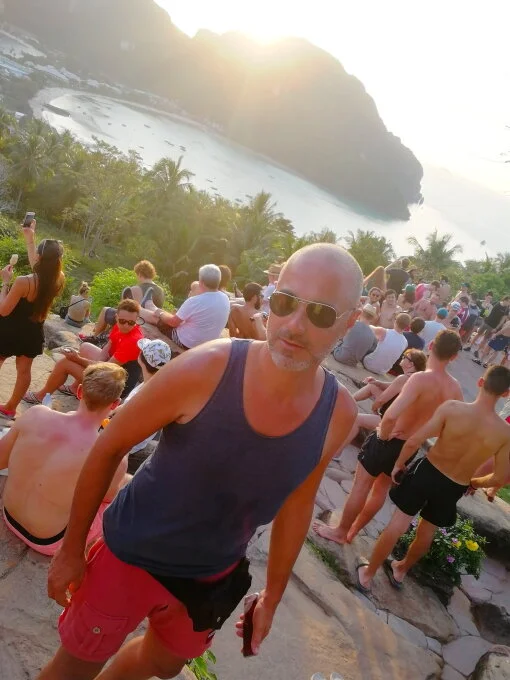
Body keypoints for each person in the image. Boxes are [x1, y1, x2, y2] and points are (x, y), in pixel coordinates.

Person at [39, 244, 362, 680]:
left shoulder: (337, 414)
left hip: (212, 572)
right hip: (133, 552)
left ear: (350, 322)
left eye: (321, 313)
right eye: (285, 302)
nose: (294, 325)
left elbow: (299, 501)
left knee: (164, 664)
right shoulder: (207, 368)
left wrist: (272, 596)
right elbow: (109, 444)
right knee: (75, 667)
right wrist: (71, 548)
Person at [356, 365, 510, 593]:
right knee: (427, 532)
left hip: (428, 470)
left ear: (480, 382)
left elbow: (415, 440)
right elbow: (500, 477)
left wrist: (399, 464)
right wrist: (474, 483)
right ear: (506, 393)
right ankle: (401, 569)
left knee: (398, 524)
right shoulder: (505, 433)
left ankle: (368, 574)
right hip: (455, 485)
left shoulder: (452, 409)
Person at [313, 330, 463, 545]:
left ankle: (340, 532)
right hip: (408, 446)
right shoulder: (455, 389)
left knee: (361, 486)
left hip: (390, 438)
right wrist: (421, 432)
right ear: (454, 357)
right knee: (379, 491)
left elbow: (391, 414)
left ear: (431, 346)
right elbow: (448, 428)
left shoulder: (419, 378)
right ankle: (353, 532)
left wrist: (382, 435)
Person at [0, 363, 129, 556]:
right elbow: (105, 498)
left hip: (9, 515)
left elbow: (1, 461)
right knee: (125, 489)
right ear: (115, 404)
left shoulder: (35, 414)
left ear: (79, 391)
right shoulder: (109, 454)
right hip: (48, 541)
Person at [0, 219, 65, 420]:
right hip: (33, 331)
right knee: (24, 371)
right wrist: (30, 238)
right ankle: (10, 408)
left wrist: (5, 283)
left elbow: (4, 310)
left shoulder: (23, 282)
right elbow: (38, 267)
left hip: (9, 329)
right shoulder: (58, 279)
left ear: (39, 256)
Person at [24, 300, 143, 404]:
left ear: (136, 320)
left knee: (64, 364)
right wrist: (96, 362)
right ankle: (75, 388)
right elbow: (109, 344)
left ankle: (41, 396)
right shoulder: (119, 326)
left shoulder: (133, 341)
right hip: (113, 371)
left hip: (115, 387)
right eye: (122, 321)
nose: (126, 325)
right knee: (85, 347)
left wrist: (77, 359)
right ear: (116, 317)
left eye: (131, 322)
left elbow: (105, 368)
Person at [139, 264, 230, 351]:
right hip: (206, 343)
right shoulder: (225, 298)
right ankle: (150, 306)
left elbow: (173, 323)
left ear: (201, 282)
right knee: (171, 315)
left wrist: (161, 313)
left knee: (159, 318)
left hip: (187, 343)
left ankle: (142, 308)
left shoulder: (195, 301)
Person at [115, 339, 172, 472]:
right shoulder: (161, 384)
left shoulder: (140, 395)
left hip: (127, 448)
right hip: (140, 442)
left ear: (141, 358)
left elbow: (123, 427)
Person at [352, 349, 427, 433]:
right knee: (373, 386)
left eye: (404, 357)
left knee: (354, 419)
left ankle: (348, 403)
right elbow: (392, 386)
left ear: (411, 364)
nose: (402, 357)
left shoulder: (404, 378)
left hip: (393, 423)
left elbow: (381, 400)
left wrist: (374, 409)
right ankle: (349, 400)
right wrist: (377, 382)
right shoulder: (414, 378)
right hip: (402, 421)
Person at [89, 260, 164, 338]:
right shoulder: (161, 291)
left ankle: (95, 338)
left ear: (139, 274)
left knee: (105, 310)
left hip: (136, 320)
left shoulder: (135, 289)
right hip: (153, 322)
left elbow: (122, 308)